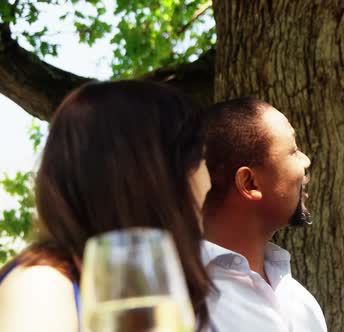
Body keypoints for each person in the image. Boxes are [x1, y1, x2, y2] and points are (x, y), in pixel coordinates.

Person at [0, 80, 212, 331]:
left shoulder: (131, 284)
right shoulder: (40, 287)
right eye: (201, 157)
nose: (210, 179)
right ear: (154, 177)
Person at [201, 97, 328, 331]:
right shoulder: (187, 304)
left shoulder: (301, 302)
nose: (306, 161)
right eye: (293, 150)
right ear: (250, 183)